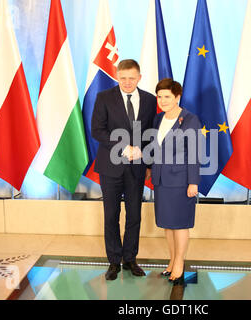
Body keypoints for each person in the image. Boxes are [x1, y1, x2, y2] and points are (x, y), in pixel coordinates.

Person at [91, 59, 157, 281]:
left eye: (132, 78)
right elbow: (97, 130)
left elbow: (151, 133)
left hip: (137, 168)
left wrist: (148, 162)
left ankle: (130, 258)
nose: (127, 82)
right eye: (123, 78)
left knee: (134, 215)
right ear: (117, 76)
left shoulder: (149, 100)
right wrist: (123, 147)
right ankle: (113, 261)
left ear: (139, 77)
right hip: (110, 167)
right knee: (111, 215)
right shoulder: (104, 98)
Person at [151, 78, 201, 284]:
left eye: (167, 97)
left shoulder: (190, 119)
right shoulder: (157, 119)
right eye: (160, 96)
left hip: (181, 181)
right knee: (167, 224)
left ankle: (179, 263)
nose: (163, 101)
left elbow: (195, 152)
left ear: (177, 97)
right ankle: (171, 261)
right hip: (161, 180)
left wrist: (193, 182)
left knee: (180, 224)